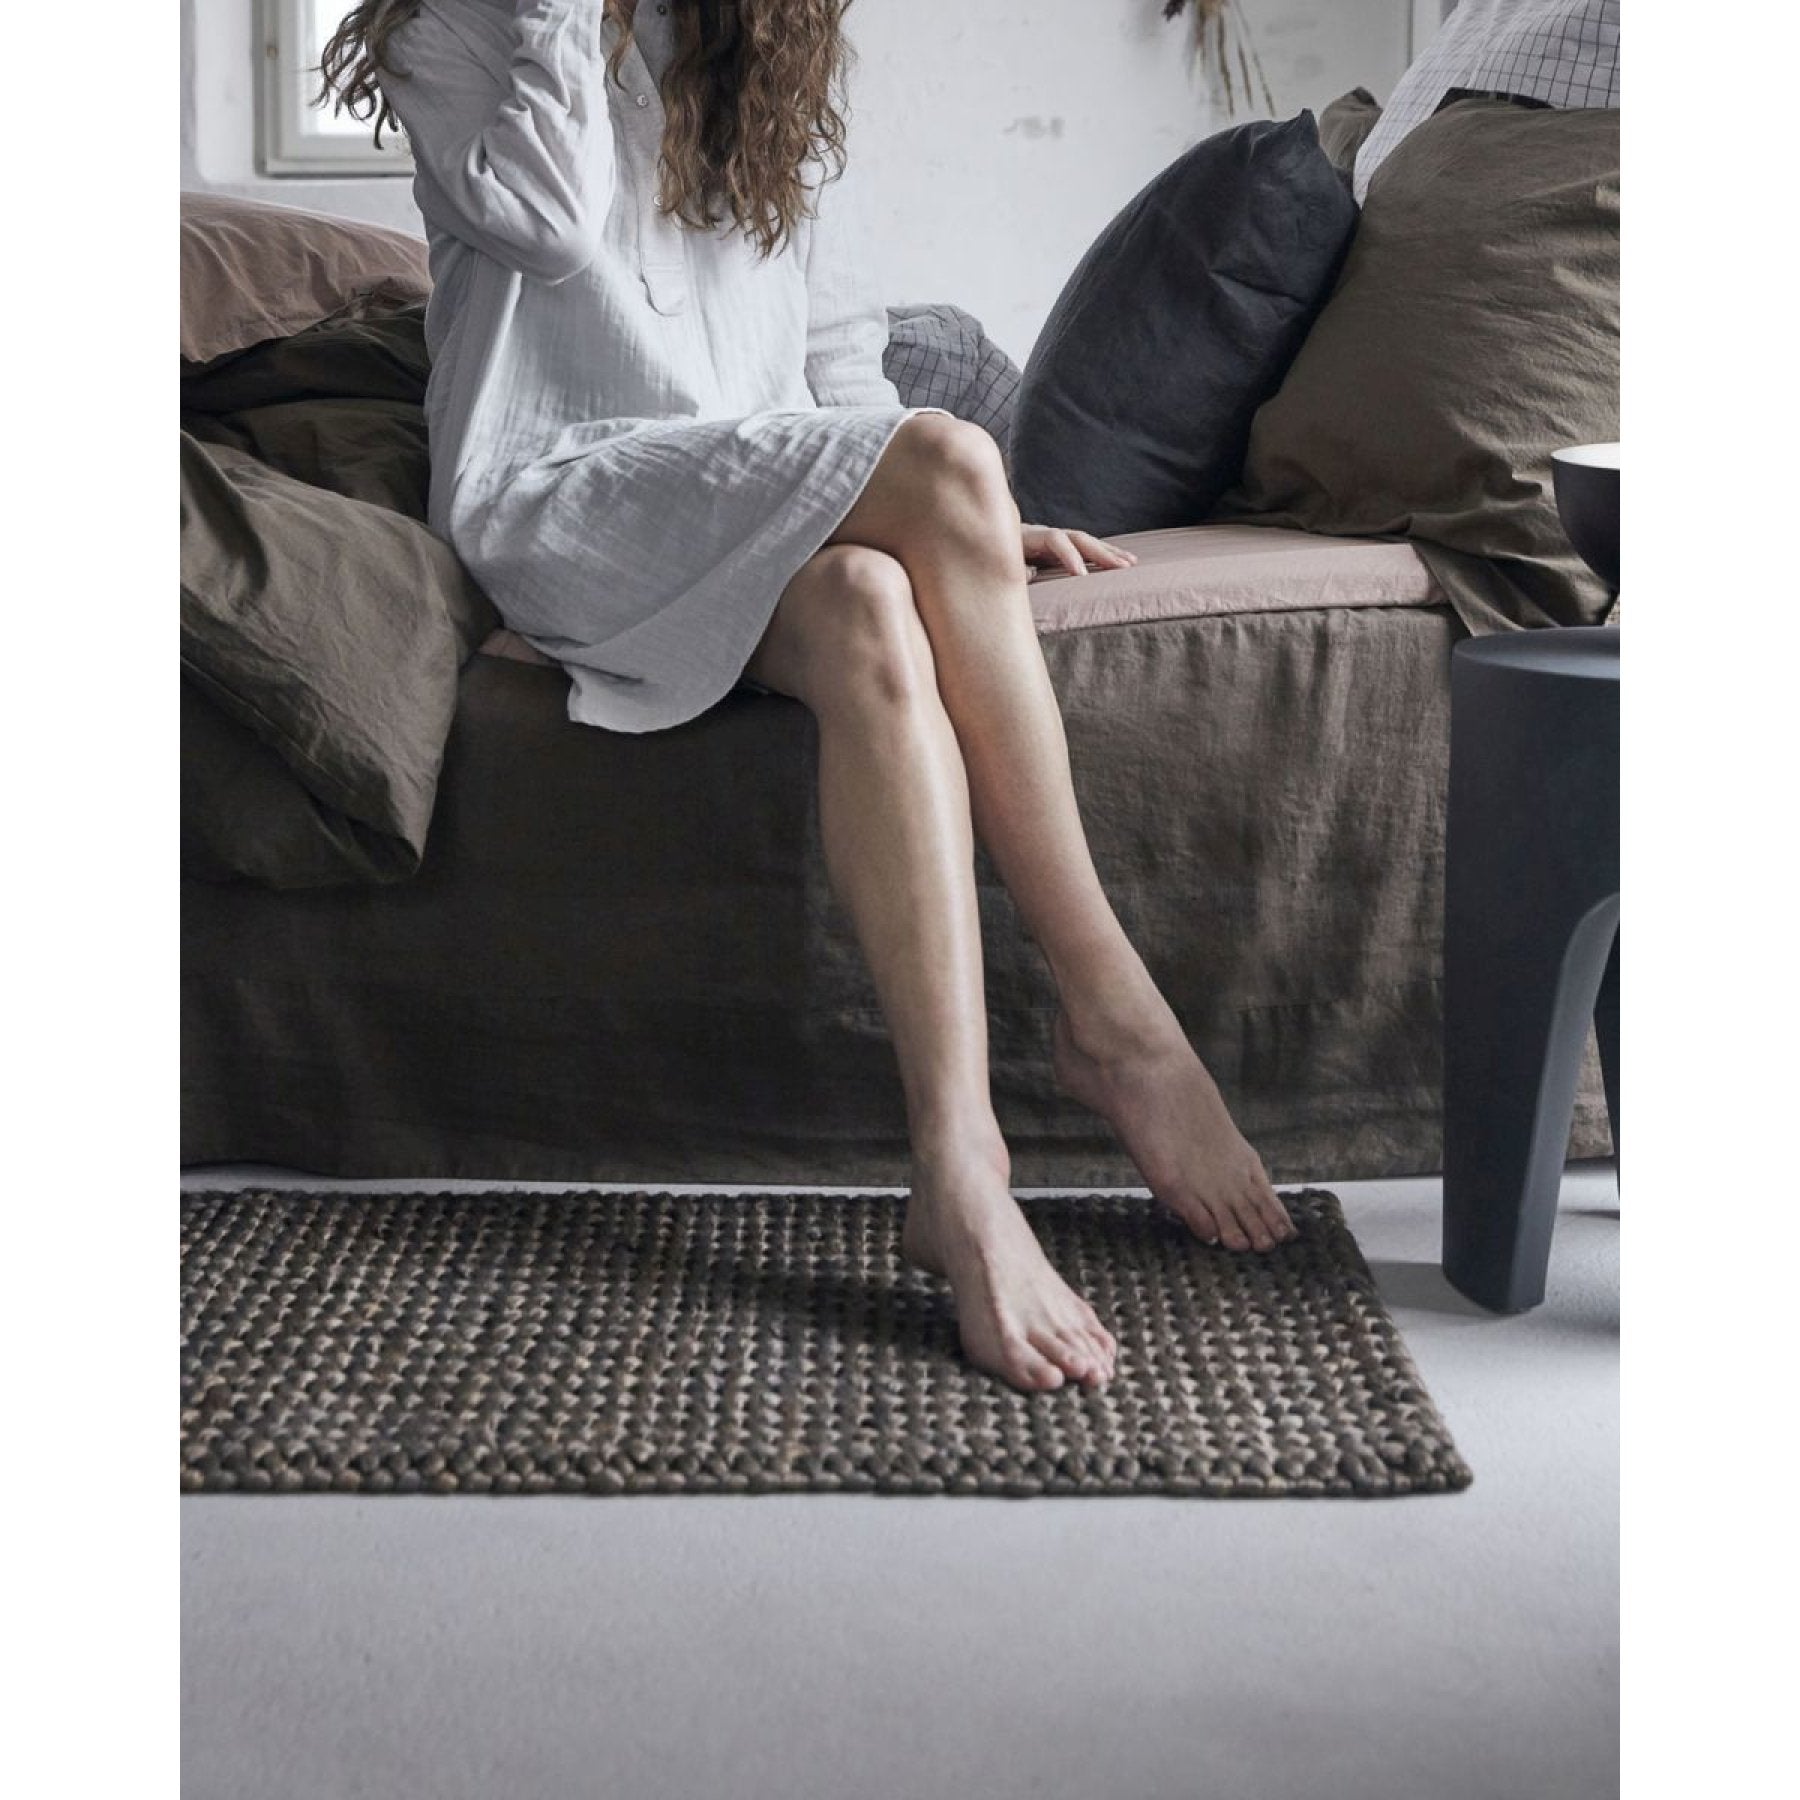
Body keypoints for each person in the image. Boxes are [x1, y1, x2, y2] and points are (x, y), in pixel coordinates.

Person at [320, 0, 1297, 1395]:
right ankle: (1116, 1017)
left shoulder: (761, 31)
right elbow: (545, 225)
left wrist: (947, 534)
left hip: (744, 476)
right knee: (952, 464)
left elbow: (833, 341)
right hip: (555, 492)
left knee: (875, 608)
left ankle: (958, 1163)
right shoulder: (461, 24)